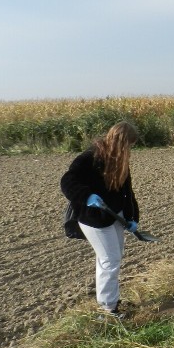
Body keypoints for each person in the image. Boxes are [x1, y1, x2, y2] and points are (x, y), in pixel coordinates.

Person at [60, 121, 140, 318]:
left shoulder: (120, 159)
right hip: (94, 218)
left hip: (115, 216)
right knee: (109, 260)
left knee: (112, 257)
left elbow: (126, 192)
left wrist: (131, 217)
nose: (130, 149)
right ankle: (108, 309)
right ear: (121, 141)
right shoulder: (90, 157)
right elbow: (67, 181)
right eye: (129, 144)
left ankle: (109, 300)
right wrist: (86, 196)